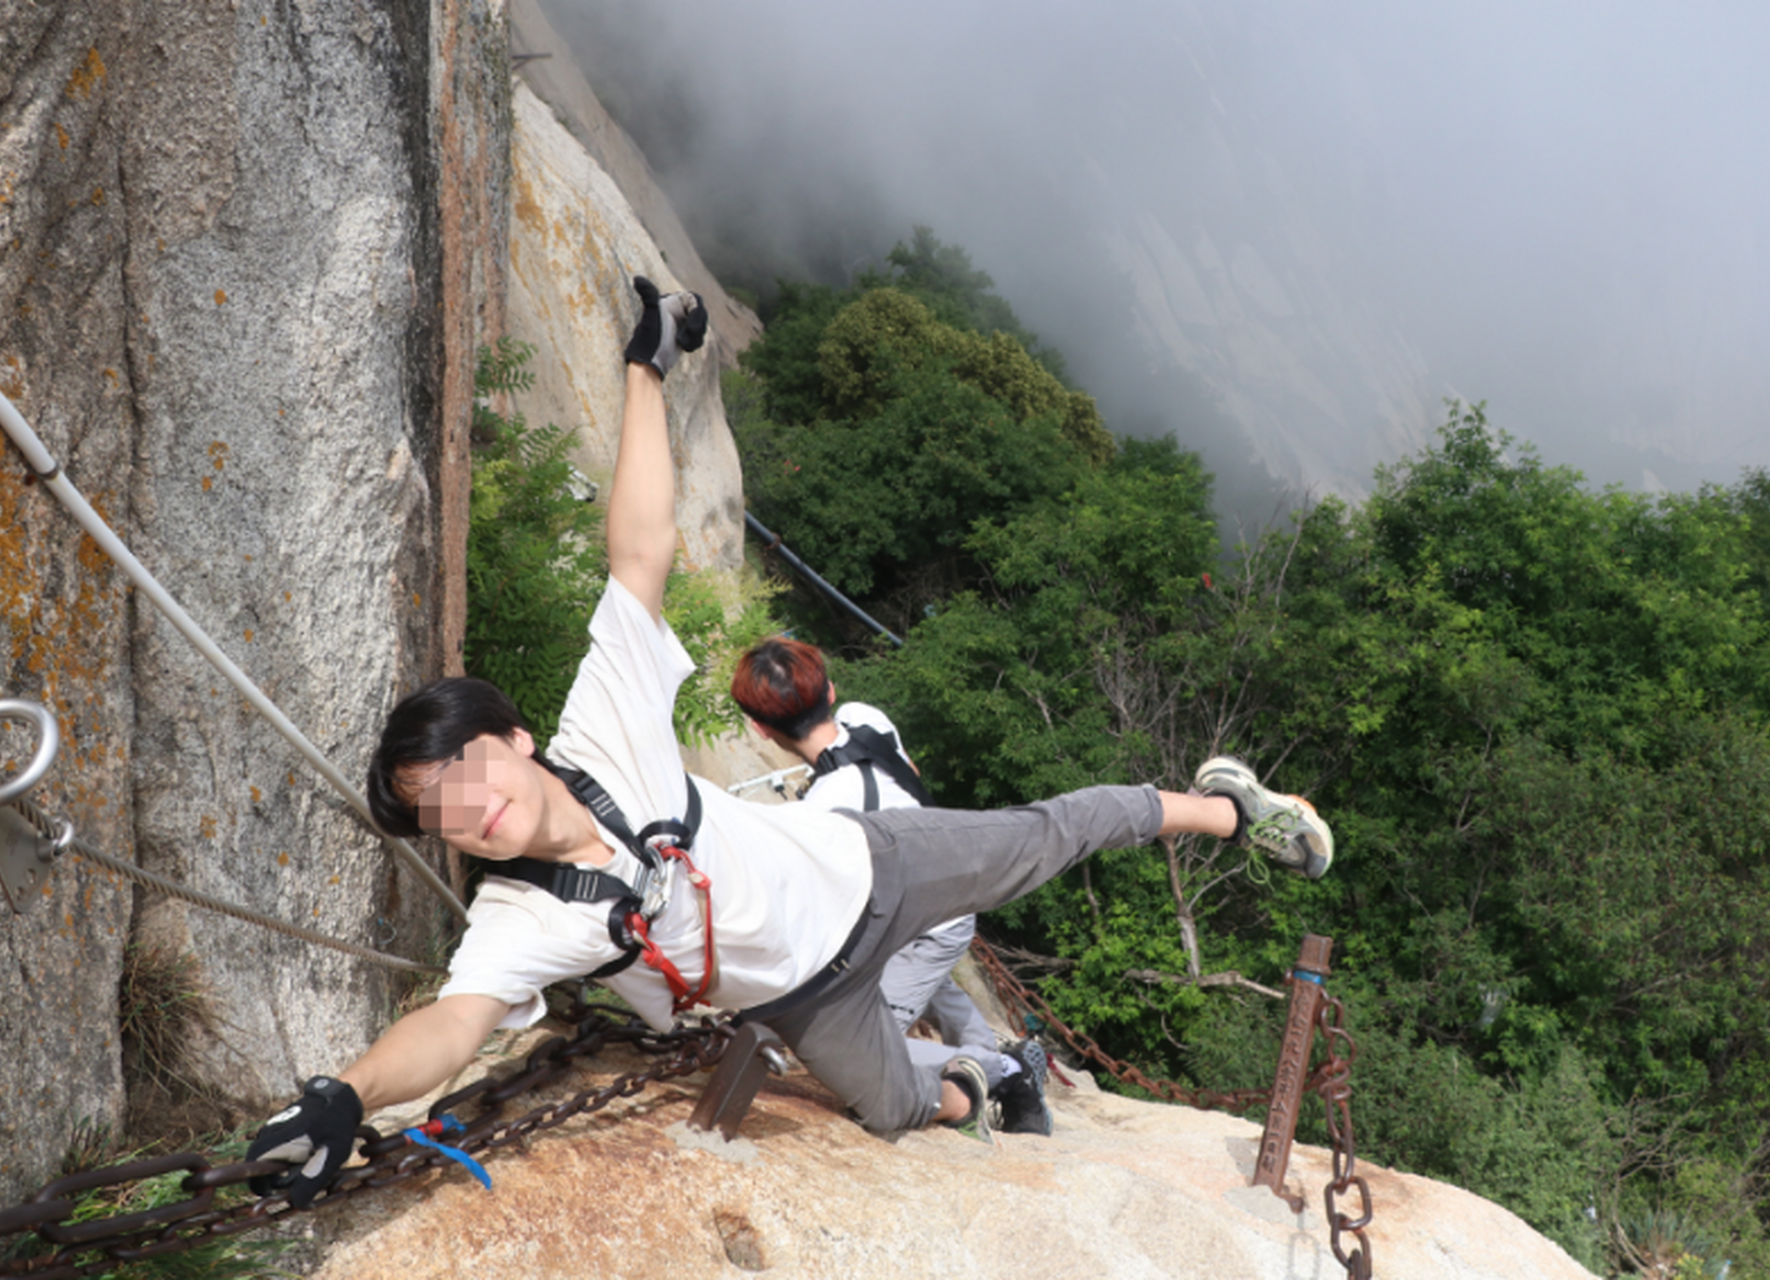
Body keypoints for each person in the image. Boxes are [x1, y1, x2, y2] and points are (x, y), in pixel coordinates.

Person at [246, 277, 1335, 1206]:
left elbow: (636, 551)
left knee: (1047, 834)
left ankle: (1230, 808)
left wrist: (644, 374)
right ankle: (989, 1076)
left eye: (463, 768)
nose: (465, 806)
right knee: (897, 1108)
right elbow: (454, 1021)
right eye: (435, 808)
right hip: (799, 994)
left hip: (872, 864)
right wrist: (348, 1090)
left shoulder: (603, 723)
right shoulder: (517, 915)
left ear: (516, 737)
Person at [730, 641, 1053, 1135]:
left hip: (924, 919)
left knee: (874, 1042)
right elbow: (912, 783)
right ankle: (992, 1050)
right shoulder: (868, 719)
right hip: (946, 886)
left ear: (760, 728)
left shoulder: (817, 815)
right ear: (831, 691)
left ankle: (1008, 1072)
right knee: (917, 966)